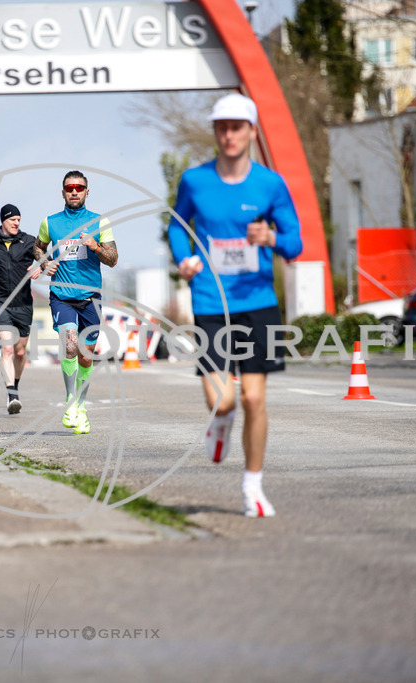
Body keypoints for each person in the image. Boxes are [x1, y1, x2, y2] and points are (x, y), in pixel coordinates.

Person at [168, 93, 303, 518]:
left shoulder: (270, 184)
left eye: (237, 127)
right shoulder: (194, 181)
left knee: (254, 400)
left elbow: (296, 243)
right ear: (215, 132)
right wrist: (184, 259)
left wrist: (272, 240)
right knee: (224, 401)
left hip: (259, 301)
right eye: (222, 127)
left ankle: (252, 487)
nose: (229, 134)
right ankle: (219, 422)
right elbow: (176, 226)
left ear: (251, 132)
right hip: (211, 301)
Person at [34, 172, 118, 434]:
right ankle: (70, 402)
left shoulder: (99, 221)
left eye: (79, 188)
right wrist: (45, 262)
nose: (74, 192)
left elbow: (113, 258)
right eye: (69, 188)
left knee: (86, 355)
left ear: (86, 192)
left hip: (91, 298)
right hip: (62, 296)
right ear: (62, 192)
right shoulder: (50, 222)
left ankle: (80, 406)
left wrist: (95, 246)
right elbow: (38, 248)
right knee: (71, 346)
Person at [0, 204, 44, 413]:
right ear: (3, 221)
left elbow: (46, 260)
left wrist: (39, 266)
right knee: (7, 347)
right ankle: (12, 395)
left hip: (23, 303)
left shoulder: (29, 241)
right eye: (13, 219)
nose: (17, 223)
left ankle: (15, 383)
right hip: (0, 302)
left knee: (20, 351)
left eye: (19, 220)